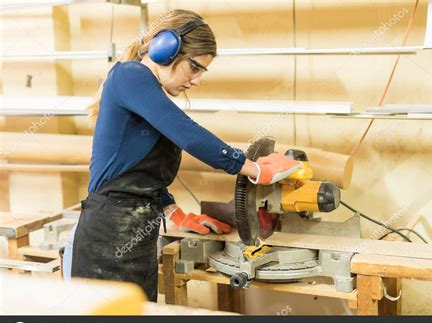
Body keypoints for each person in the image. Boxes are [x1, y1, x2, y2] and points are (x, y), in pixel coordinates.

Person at [62, 9, 302, 301]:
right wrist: (252, 168)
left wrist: (173, 211)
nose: (197, 80)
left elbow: (138, 172)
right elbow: (187, 133)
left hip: (134, 233)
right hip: (106, 234)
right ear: (165, 48)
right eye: (194, 68)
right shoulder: (129, 75)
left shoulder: (148, 94)